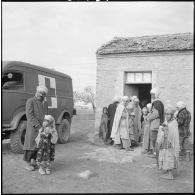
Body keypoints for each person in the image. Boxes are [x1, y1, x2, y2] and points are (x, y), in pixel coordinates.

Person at [23, 85, 48, 171]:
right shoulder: (30, 101)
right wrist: (38, 126)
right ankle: (28, 164)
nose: (41, 95)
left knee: (38, 146)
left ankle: (34, 162)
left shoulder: (44, 103)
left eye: (43, 94)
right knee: (30, 146)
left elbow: (45, 115)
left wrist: (46, 123)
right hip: (33, 128)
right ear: (36, 92)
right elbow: (29, 115)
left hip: (42, 128)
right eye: (40, 92)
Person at [157, 107, 179, 180]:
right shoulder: (166, 121)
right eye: (166, 114)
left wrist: (166, 130)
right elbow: (163, 128)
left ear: (172, 115)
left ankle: (170, 174)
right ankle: (167, 172)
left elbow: (174, 134)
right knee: (165, 156)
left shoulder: (174, 122)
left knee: (169, 157)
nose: (167, 116)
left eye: (169, 114)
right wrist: (162, 129)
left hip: (170, 143)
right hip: (164, 142)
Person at [147, 88, 164, 158]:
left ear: (156, 94)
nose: (152, 96)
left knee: (154, 139)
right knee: (156, 139)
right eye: (151, 94)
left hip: (155, 124)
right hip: (157, 123)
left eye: (153, 94)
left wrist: (148, 118)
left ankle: (156, 154)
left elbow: (155, 114)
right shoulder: (159, 102)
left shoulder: (157, 103)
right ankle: (157, 153)